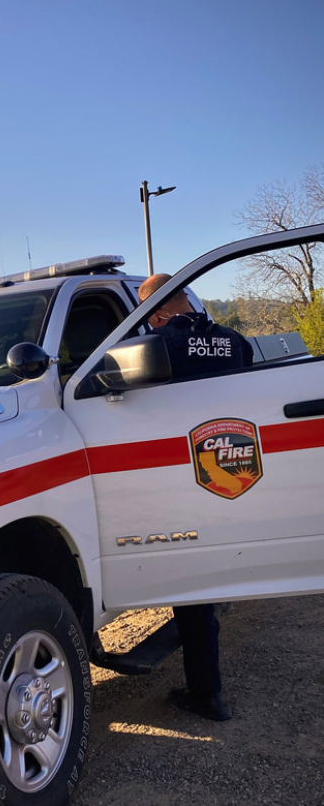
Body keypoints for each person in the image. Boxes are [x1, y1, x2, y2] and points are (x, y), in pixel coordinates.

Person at [138, 273, 254, 722]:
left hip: (176, 473)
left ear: (156, 313)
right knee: (205, 572)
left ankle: (207, 694)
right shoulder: (233, 340)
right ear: (186, 299)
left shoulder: (155, 346)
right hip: (229, 466)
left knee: (190, 587)